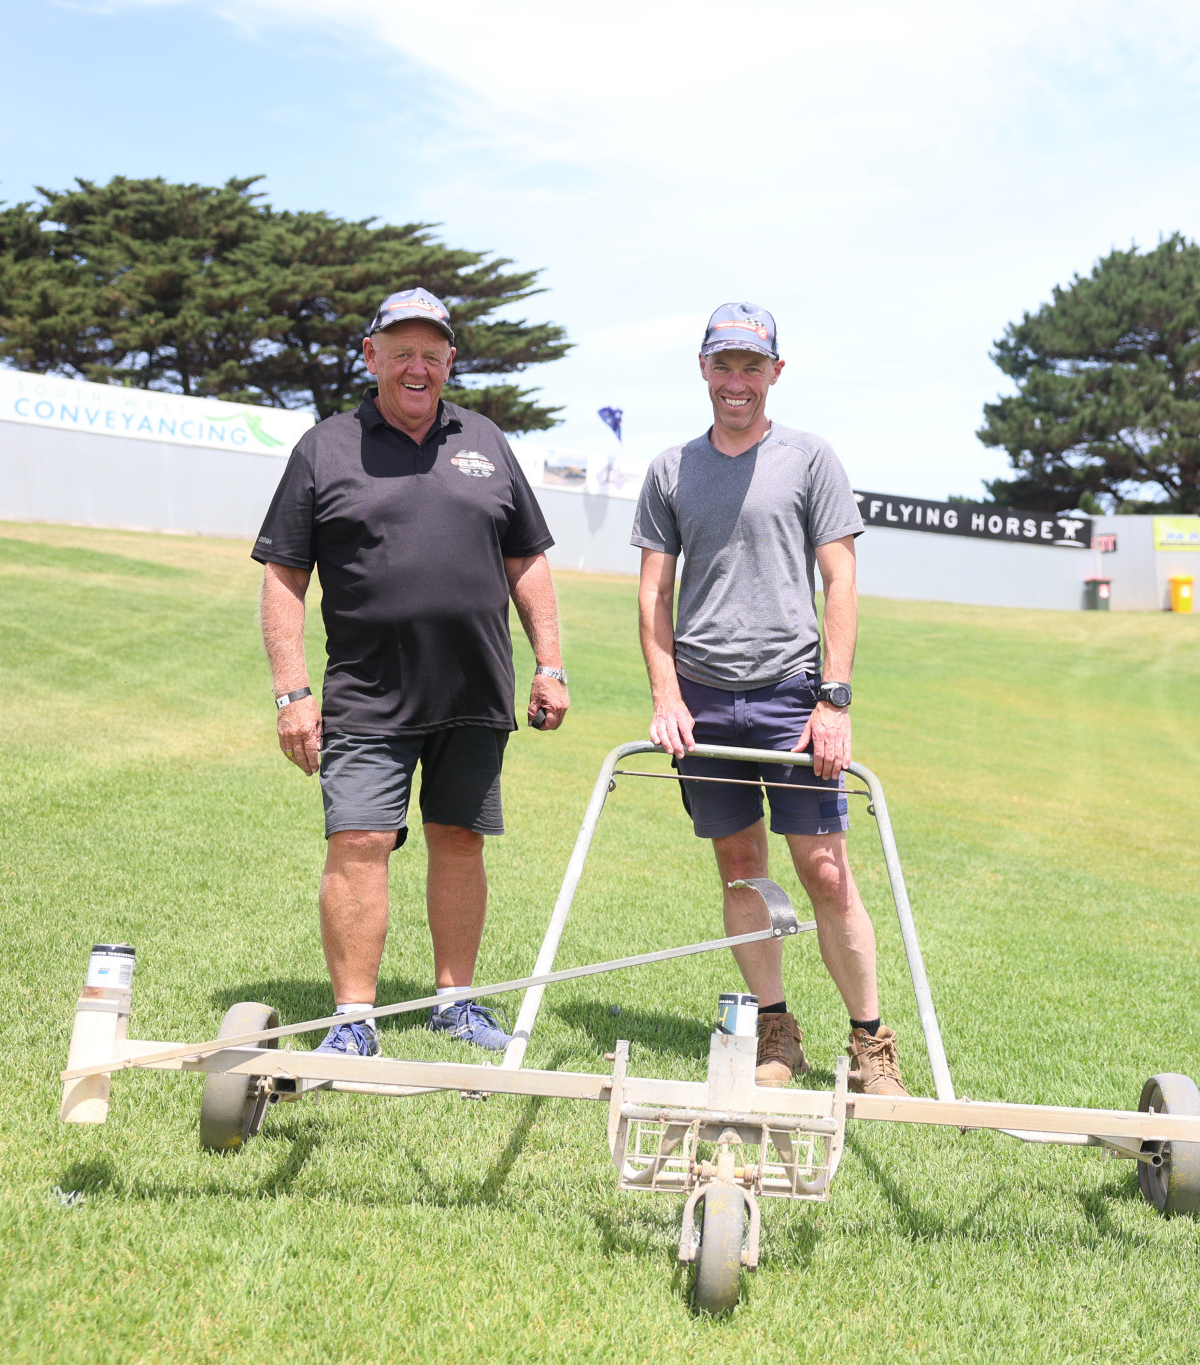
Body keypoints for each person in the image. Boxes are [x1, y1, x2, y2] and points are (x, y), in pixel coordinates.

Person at [252, 287, 569, 1058]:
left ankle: (456, 1004)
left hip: (474, 690)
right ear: (372, 357)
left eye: (433, 352)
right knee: (358, 840)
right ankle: (354, 1019)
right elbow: (284, 578)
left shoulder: (487, 441)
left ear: (450, 361)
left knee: (459, 839)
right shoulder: (325, 448)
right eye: (403, 352)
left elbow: (526, 558)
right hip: (366, 693)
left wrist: (549, 663)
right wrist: (292, 693)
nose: (418, 367)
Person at [632, 301, 908, 1097]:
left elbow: (841, 578)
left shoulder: (810, 458)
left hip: (793, 695)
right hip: (706, 702)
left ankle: (868, 1045)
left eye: (753, 367)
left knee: (824, 870)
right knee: (741, 868)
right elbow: (655, 593)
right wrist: (666, 694)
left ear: (775, 373)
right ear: (703, 369)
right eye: (724, 365)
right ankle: (775, 1030)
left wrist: (835, 700)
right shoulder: (670, 469)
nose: (737, 382)